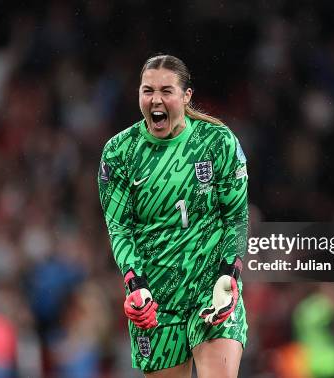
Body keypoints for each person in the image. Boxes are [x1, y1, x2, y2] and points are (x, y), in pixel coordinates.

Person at [98, 54, 249, 378]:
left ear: (186, 96)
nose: (156, 99)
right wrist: (134, 283)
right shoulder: (119, 153)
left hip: (210, 292)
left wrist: (227, 276)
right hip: (156, 302)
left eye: (167, 91)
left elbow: (236, 218)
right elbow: (119, 228)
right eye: (147, 90)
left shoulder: (217, 142)